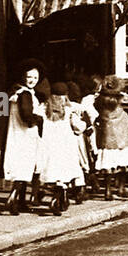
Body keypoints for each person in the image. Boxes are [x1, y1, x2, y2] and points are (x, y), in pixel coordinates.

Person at [1, 60, 45, 215]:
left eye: (35, 77)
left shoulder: (15, 93)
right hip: (26, 135)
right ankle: (12, 198)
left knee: (22, 168)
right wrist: (38, 119)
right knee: (24, 168)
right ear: (23, 77)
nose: (32, 80)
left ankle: (21, 202)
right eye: (29, 77)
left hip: (16, 134)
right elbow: (27, 116)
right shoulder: (24, 94)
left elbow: (2, 112)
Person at [38, 83, 82, 214]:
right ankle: (57, 199)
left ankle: (57, 197)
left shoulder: (44, 108)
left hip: (48, 145)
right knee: (63, 173)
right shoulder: (69, 110)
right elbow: (78, 126)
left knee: (52, 171)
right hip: (65, 145)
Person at [94, 76, 128, 200]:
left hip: (107, 136)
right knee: (124, 164)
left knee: (109, 165)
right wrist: (121, 93)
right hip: (123, 136)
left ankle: (107, 191)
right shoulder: (121, 100)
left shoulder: (99, 101)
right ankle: (121, 188)